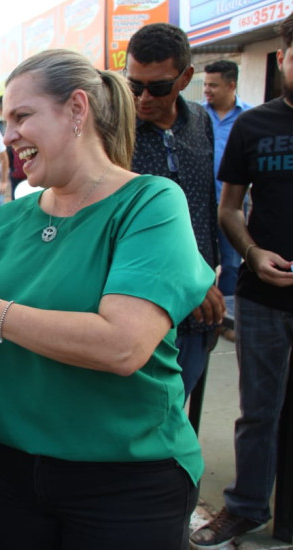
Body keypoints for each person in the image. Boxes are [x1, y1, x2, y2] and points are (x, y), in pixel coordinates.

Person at [0, 49, 214, 550]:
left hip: (126, 479)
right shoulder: (10, 219)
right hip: (12, 470)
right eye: (6, 122)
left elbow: (122, 346)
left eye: (23, 116)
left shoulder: (149, 203)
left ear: (76, 109)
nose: (8, 137)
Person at [190, 13, 293, 548]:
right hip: (262, 295)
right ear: (284, 57)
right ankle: (247, 507)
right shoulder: (256, 126)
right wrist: (252, 255)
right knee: (259, 410)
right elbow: (229, 207)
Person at [126, 22, 226, 399]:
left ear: (185, 78)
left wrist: (210, 278)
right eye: (135, 85)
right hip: (142, 302)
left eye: (159, 87)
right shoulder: (115, 131)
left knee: (182, 418)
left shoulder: (200, 121)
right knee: (147, 421)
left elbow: (206, 210)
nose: (144, 98)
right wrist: (189, 280)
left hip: (201, 309)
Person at [203, 59, 253, 311]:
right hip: (201, 203)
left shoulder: (249, 118)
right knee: (203, 261)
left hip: (233, 202)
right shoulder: (197, 116)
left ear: (231, 85)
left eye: (213, 85)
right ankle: (206, 313)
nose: (207, 90)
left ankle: (227, 315)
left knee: (232, 262)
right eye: (205, 84)